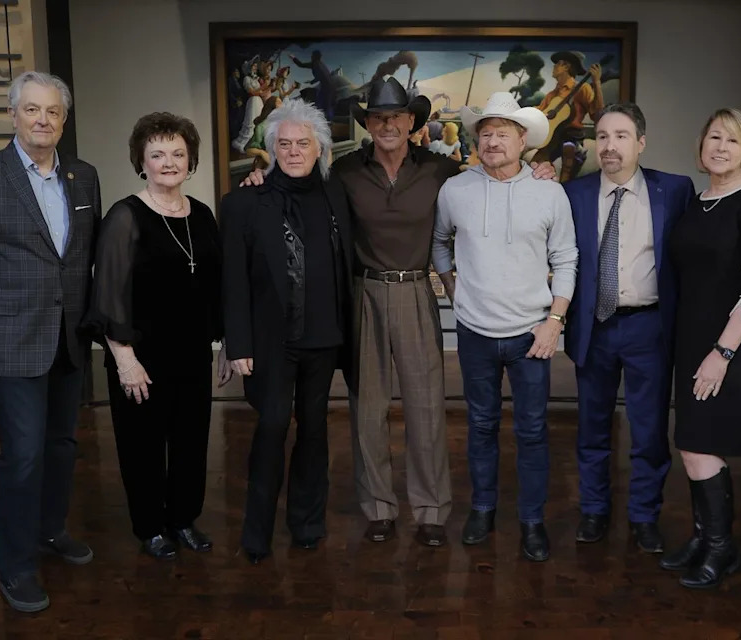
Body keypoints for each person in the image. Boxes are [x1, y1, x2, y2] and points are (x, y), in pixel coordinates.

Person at [243, 76, 556, 548]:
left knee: (426, 406)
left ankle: (431, 510)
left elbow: (494, 176)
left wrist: (540, 168)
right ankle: (379, 509)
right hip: (363, 292)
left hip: (414, 290)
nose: (387, 124)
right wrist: (259, 177)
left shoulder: (440, 170)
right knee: (367, 408)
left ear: (412, 122)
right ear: (367, 123)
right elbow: (295, 185)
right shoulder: (344, 172)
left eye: (396, 116)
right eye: (378, 117)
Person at [0, 71, 101, 613]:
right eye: (31, 110)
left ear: (63, 119)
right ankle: (15, 566)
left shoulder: (84, 176)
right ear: (13, 116)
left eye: (52, 112)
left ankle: (50, 530)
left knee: (61, 447)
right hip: (13, 339)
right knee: (24, 456)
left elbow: (84, 255)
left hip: (69, 337)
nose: (42, 120)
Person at [432, 93, 577, 561]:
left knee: (533, 431)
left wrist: (554, 322)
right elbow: (439, 245)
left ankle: (532, 521)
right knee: (480, 426)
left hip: (532, 334)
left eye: (503, 133)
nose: (493, 141)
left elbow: (567, 259)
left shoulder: (548, 190)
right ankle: (483, 509)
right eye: (486, 133)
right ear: (476, 140)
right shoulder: (456, 189)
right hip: (474, 333)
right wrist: (457, 294)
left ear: (523, 140)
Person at [83, 112, 231, 561]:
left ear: (191, 161)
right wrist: (125, 359)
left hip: (190, 354)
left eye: (178, 154)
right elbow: (107, 294)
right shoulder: (125, 216)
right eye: (158, 154)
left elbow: (216, 287)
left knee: (191, 441)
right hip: (140, 356)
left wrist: (225, 341)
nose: (169, 162)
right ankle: (150, 527)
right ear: (141, 162)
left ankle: (183, 519)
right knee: (143, 446)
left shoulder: (202, 215)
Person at [221, 99, 355, 564]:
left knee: (315, 432)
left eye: (303, 143)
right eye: (285, 144)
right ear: (270, 148)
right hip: (270, 342)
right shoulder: (243, 202)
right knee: (272, 426)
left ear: (319, 149)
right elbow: (232, 280)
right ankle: (256, 532)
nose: (294, 151)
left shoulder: (337, 193)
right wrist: (236, 343)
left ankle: (307, 524)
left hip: (325, 338)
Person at [563, 103, 695, 553]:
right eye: (601, 136)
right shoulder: (573, 194)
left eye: (621, 136)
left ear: (641, 142)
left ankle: (643, 516)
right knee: (592, 428)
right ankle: (595, 510)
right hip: (594, 327)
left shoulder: (675, 191)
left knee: (650, 430)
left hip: (649, 328)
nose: (610, 145)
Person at [663, 108, 741, 589]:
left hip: (732, 343)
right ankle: (703, 538)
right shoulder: (697, 201)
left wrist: (723, 353)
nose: (721, 147)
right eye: (714, 137)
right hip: (692, 340)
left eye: (732, 141)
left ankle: (720, 548)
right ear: (701, 145)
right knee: (694, 446)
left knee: (699, 445)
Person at [536, 51, 604, 182]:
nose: (554, 67)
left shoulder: (583, 88)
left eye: (557, 64)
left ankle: (565, 189)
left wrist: (597, 83)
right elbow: (539, 111)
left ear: (566, 67)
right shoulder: (552, 94)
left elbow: (597, 115)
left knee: (569, 151)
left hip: (572, 135)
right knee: (536, 162)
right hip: (553, 137)